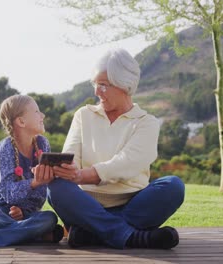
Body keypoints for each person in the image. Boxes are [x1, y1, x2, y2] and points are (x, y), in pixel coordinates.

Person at [47, 48, 185, 249]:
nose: (96, 91)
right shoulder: (83, 115)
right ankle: (133, 237)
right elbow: (71, 157)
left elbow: (126, 163)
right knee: (56, 187)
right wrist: (66, 170)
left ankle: (92, 233)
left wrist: (80, 176)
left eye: (103, 85)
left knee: (173, 186)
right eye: (95, 84)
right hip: (87, 204)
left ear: (125, 85)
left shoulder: (146, 123)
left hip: (132, 203)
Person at [0, 94, 64, 249]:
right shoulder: (6, 147)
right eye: (37, 112)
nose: (42, 115)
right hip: (0, 212)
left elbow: (41, 195)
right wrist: (35, 181)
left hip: (27, 214)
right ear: (21, 121)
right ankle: (37, 234)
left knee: (49, 218)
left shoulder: (43, 144)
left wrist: (23, 210)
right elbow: (9, 193)